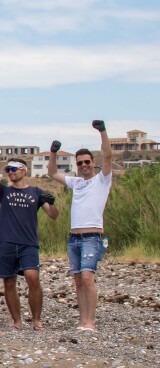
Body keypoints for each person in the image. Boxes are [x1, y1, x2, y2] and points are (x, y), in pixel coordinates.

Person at [0, 134, 60, 330]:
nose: (10, 172)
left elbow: (53, 215)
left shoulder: (36, 192)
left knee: (32, 277)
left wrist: (52, 202)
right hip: (6, 243)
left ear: (24, 171)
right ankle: (17, 321)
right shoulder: (4, 192)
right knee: (9, 282)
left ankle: (36, 319)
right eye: (8, 170)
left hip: (28, 243)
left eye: (14, 169)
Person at [47, 120, 114, 332]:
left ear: (93, 162)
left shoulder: (102, 180)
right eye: (80, 163)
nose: (84, 165)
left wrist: (102, 131)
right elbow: (52, 173)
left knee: (87, 277)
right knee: (78, 280)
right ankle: (82, 319)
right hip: (74, 237)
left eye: (87, 162)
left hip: (92, 237)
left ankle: (91, 321)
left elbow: (109, 155)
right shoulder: (76, 183)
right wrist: (53, 153)